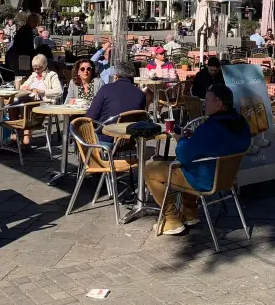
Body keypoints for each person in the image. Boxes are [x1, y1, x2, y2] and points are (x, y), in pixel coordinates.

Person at [146, 84, 251, 235]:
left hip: (204, 180)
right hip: (227, 178)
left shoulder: (209, 128)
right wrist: (196, 138)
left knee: (151, 169)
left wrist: (181, 139)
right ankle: (190, 214)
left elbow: (183, 155)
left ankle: (172, 220)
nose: (203, 103)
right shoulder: (242, 122)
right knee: (194, 161)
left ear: (219, 103)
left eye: (207, 100)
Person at [85, 61, 146, 141]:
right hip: (129, 140)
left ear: (116, 75)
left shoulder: (106, 89)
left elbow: (90, 116)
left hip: (105, 138)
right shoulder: (140, 94)